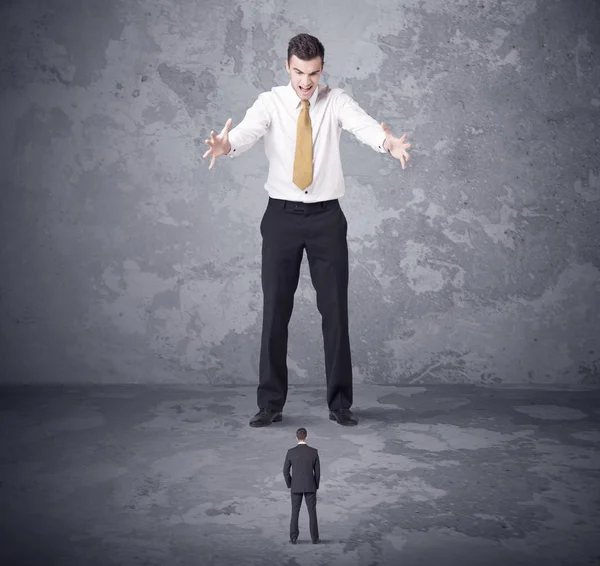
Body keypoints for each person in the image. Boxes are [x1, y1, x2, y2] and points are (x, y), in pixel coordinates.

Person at [203, 33, 411, 428]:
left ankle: (340, 404)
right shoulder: (271, 103)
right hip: (280, 217)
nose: (305, 81)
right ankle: (270, 404)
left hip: (326, 219)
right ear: (288, 66)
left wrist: (389, 144)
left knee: (334, 311)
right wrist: (225, 146)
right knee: (275, 310)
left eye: (313, 73)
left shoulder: (336, 101)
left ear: (321, 69)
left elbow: (364, 127)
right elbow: (246, 133)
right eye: (299, 72)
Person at [283, 428, 320, 544]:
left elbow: (285, 471)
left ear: (296, 438)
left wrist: (290, 484)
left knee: (295, 512)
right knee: (312, 512)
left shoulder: (291, 452)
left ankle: (293, 538)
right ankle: (315, 539)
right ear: (306, 437)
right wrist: (315, 485)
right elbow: (317, 472)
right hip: (310, 486)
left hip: (296, 486)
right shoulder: (314, 452)